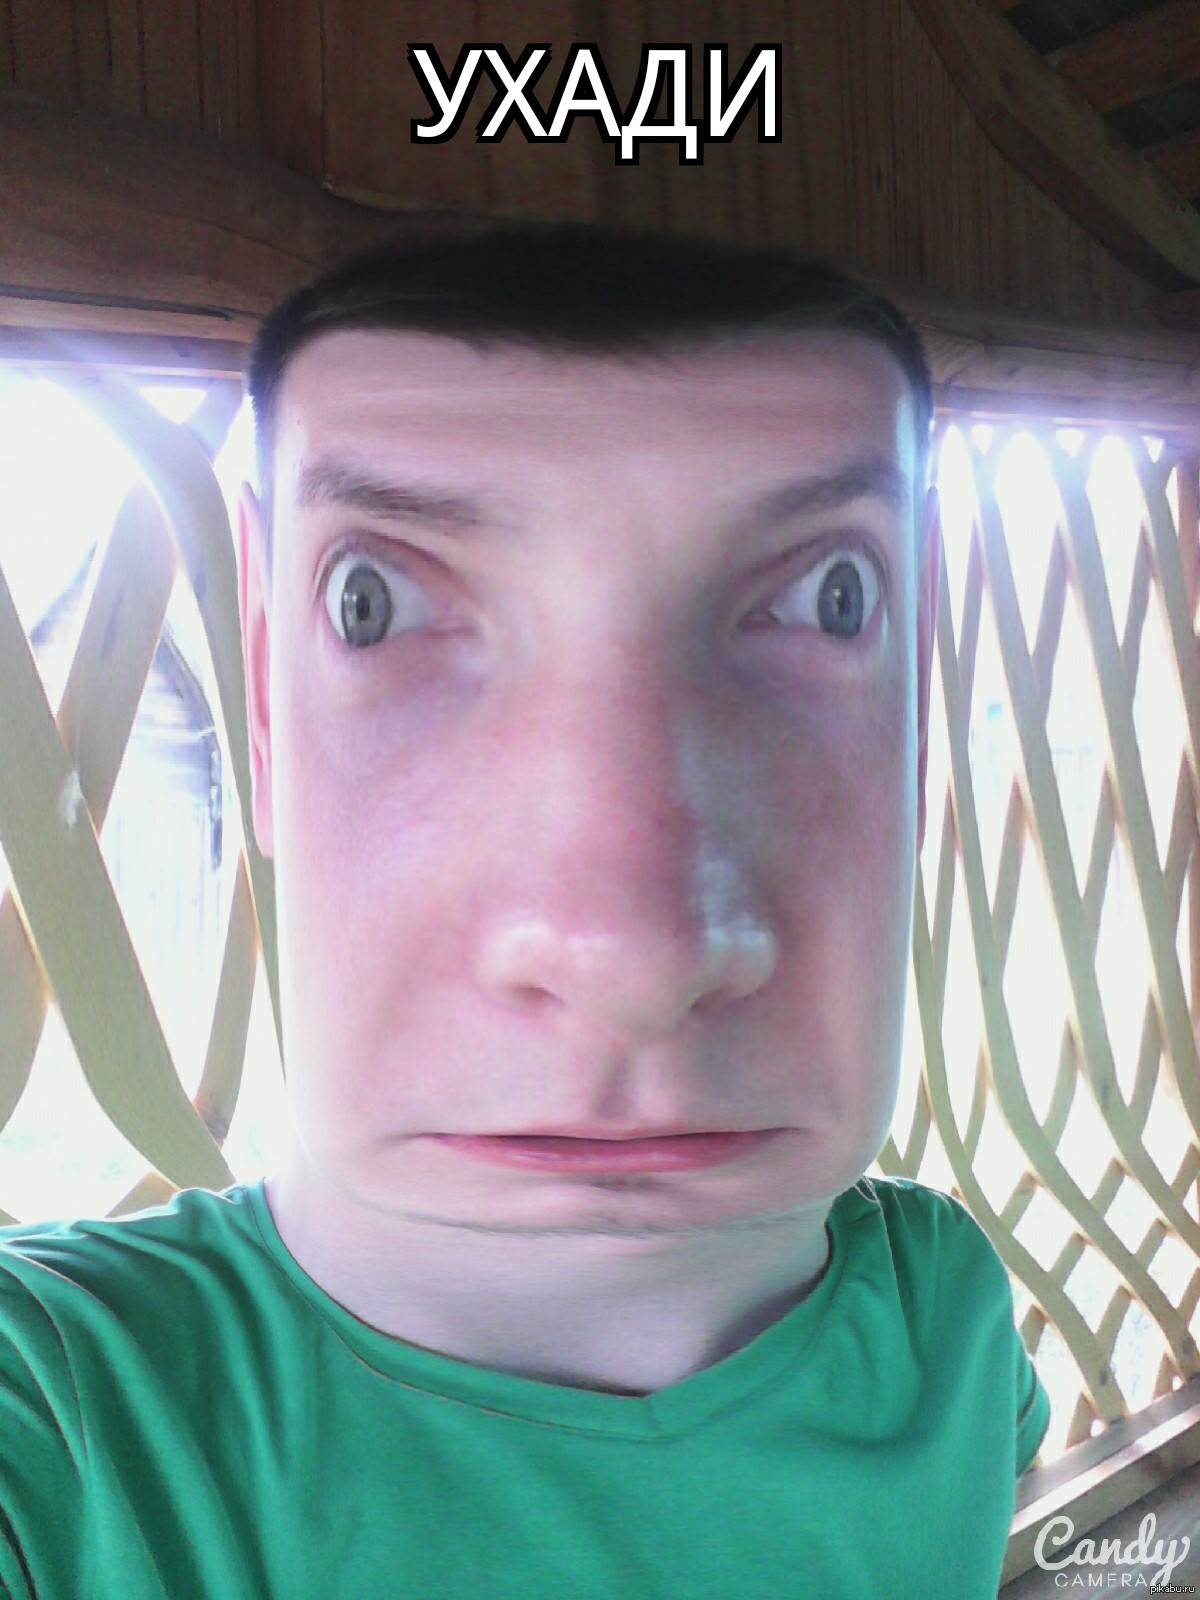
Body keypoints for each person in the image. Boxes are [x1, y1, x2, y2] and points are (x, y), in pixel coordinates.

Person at [0, 219, 1049, 1598]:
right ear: (261, 690)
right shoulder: (55, 1429)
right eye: (374, 604)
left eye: (831, 598)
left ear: (916, 706)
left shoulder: (948, 1319)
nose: (634, 963)